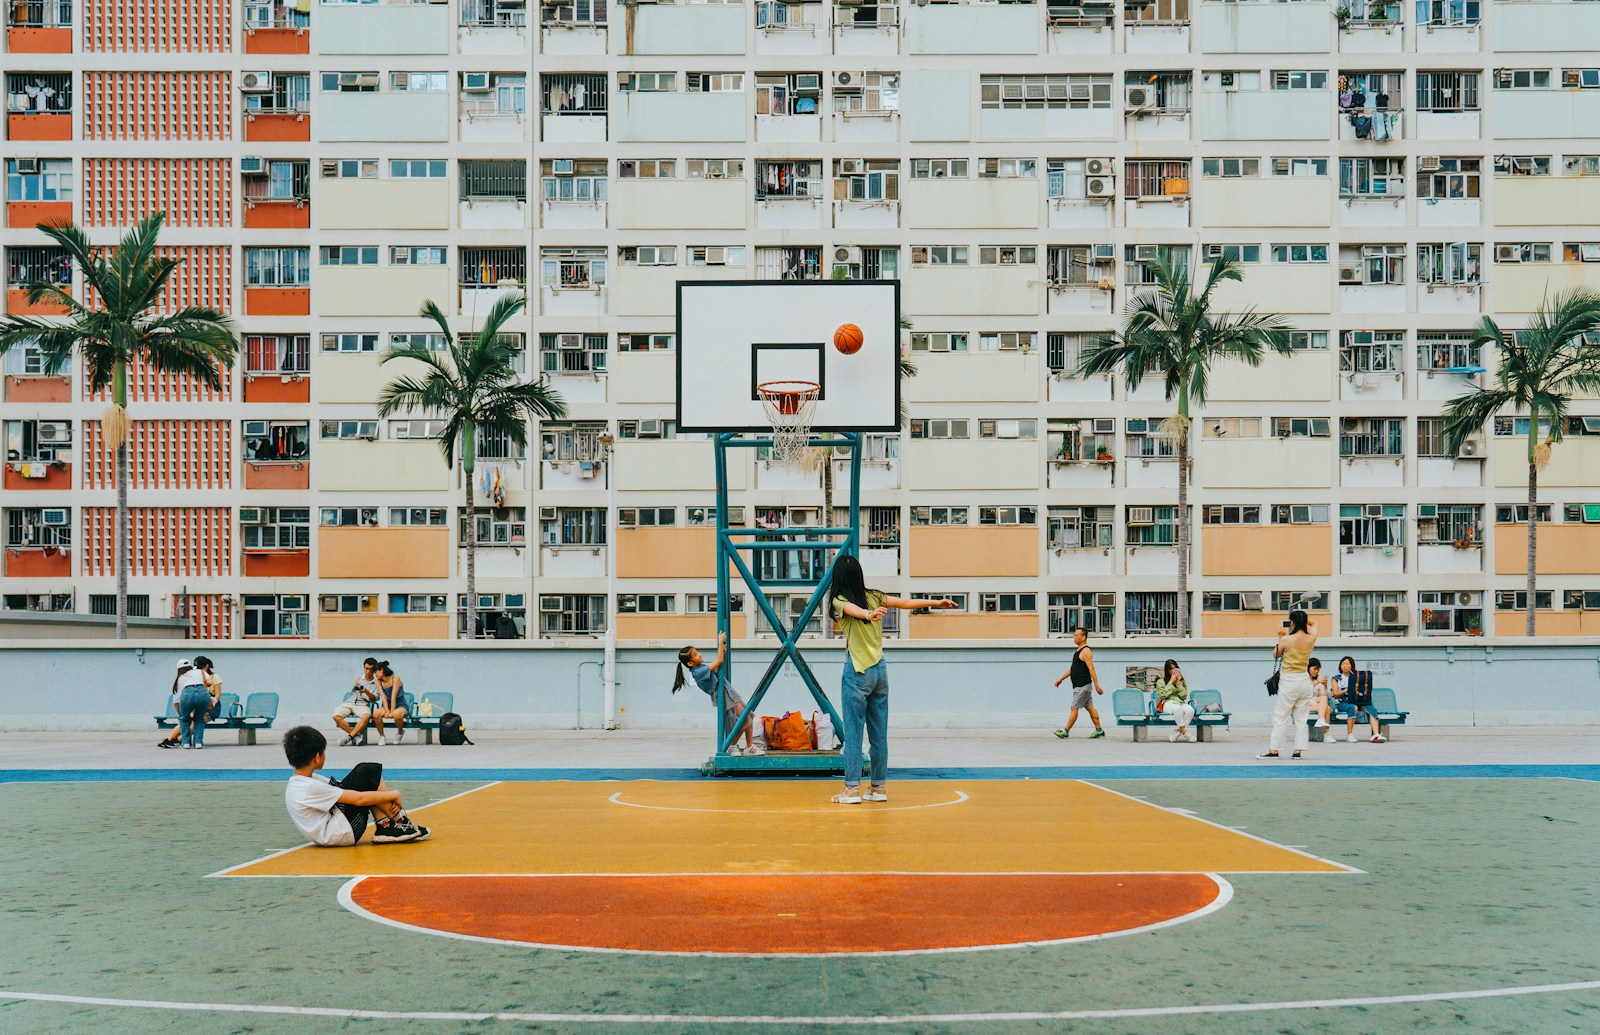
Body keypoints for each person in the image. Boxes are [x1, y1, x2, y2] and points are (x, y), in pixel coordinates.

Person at [828, 554, 956, 804]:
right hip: (880, 671)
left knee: (854, 733)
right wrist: (935, 603)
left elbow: (853, 610)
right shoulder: (875, 595)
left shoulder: (839, 600)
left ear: (838, 578)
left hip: (857, 671)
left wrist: (867, 615)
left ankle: (851, 789)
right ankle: (878, 788)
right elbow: (906, 602)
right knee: (879, 735)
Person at [281, 726, 430, 846]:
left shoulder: (304, 781)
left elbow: (348, 790)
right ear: (317, 757)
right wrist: (394, 794)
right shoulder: (309, 787)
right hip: (342, 833)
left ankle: (387, 824)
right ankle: (399, 822)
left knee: (365, 775)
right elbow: (359, 799)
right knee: (367, 771)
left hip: (336, 827)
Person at [673, 632, 763, 756]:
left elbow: (717, 667)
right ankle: (732, 746)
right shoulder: (697, 672)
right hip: (723, 694)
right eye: (695, 654)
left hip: (728, 691)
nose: (699, 654)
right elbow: (718, 662)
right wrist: (720, 642)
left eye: (697, 652)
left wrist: (723, 651)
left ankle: (748, 746)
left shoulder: (701, 667)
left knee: (749, 716)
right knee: (744, 719)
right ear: (690, 663)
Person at [1260, 610, 1317, 759]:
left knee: (1281, 716)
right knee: (1301, 718)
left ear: (1292, 623)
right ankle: (1298, 750)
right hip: (1305, 681)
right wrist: (1304, 620)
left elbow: (1276, 654)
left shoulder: (1286, 639)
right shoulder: (1311, 638)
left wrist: (1280, 636)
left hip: (1289, 682)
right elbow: (1315, 623)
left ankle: (1274, 750)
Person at [1052, 628, 1106, 739]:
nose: (1074, 637)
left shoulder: (1086, 651)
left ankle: (1065, 731)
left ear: (1083, 637)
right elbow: (1073, 668)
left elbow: (1091, 668)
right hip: (1080, 685)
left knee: (1074, 707)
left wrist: (1097, 685)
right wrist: (1061, 679)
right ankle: (1099, 730)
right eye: (1074, 635)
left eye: (1077, 635)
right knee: (1090, 707)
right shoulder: (1079, 651)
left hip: (1082, 685)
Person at [1332, 655, 1386, 743]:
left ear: (1352, 666)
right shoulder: (1337, 678)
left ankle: (1376, 734)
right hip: (1344, 702)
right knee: (1353, 707)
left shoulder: (1358, 677)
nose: (1344, 666)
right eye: (1342, 664)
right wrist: (1346, 690)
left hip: (1360, 701)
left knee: (1372, 710)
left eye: (1347, 664)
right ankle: (1350, 734)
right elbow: (1335, 694)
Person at [334, 656, 380, 746]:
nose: (368, 671)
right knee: (336, 716)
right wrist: (356, 686)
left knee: (367, 716)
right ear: (363, 667)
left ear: (374, 670)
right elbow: (355, 689)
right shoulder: (359, 677)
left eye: (371, 669)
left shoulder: (377, 682)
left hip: (362, 704)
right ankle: (356, 736)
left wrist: (366, 691)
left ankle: (349, 737)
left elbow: (375, 698)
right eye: (366, 668)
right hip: (350, 702)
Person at [175, 655, 217, 750]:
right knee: (199, 719)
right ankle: (198, 743)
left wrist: (180, 714)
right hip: (203, 693)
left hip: (188, 694)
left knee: (184, 719)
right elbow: (210, 682)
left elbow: (176, 700)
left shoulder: (180, 678)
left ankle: (186, 743)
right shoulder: (200, 671)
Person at [1152, 658, 1195, 743]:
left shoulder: (1181, 681)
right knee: (1177, 709)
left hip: (1180, 702)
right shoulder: (1161, 681)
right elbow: (1162, 695)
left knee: (1190, 710)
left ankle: (1178, 732)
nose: (1172, 671)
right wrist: (1171, 682)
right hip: (1167, 703)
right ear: (1167, 670)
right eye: (1170, 669)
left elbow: (1184, 696)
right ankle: (1185, 733)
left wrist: (1179, 684)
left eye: (1174, 669)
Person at [158, 659, 194, 748]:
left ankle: (170, 739)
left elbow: (176, 701)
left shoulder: (179, 680)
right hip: (196, 705)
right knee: (196, 723)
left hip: (185, 706)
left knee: (185, 722)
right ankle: (177, 740)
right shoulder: (195, 677)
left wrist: (181, 714)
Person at [371, 662, 408, 745]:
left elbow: (393, 697)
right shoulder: (378, 682)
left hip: (400, 705)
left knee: (397, 714)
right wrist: (387, 712)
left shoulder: (395, 678)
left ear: (381, 670)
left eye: (375, 672)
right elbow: (384, 698)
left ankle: (400, 732)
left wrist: (391, 712)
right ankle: (382, 736)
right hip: (386, 705)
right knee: (376, 714)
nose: (375, 675)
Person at [1307, 657, 1336, 739]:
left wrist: (1326, 687)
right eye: (1314, 669)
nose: (1316, 671)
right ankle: (1326, 734)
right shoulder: (1304, 678)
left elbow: (1329, 696)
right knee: (1326, 708)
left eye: (1318, 669)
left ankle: (1321, 720)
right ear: (1308, 668)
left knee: (1326, 705)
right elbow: (1304, 691)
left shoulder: (1318, 680)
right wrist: (1317, 682)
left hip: (1315, 703)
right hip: (1303, 703)